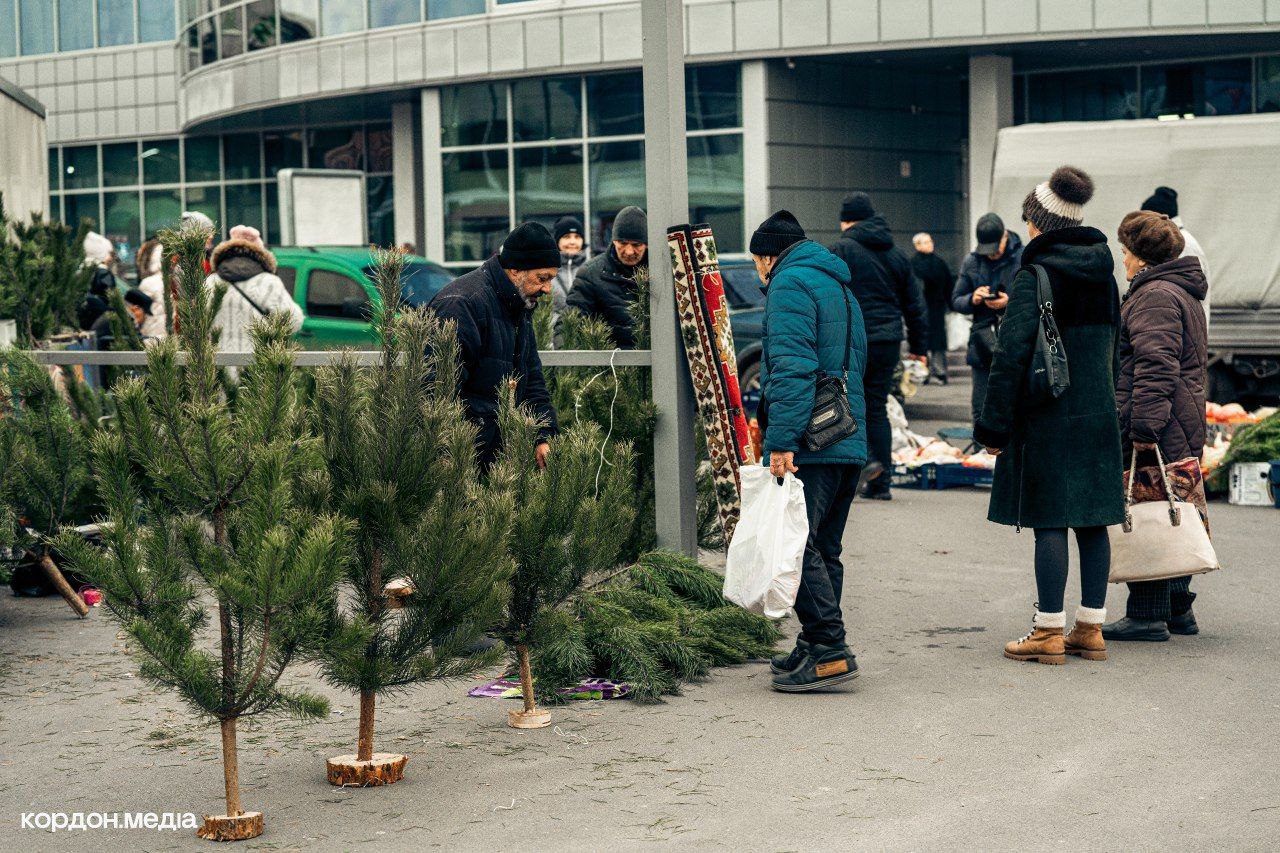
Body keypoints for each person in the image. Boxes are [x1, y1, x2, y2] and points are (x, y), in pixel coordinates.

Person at [973, 166, 1124, 666]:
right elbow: (1117, 349)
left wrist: (993, 427)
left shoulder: (1035, 276)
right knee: (1094, 520)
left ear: (1041, 223)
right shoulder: (1105, 275)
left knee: (1051, 520)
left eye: (1029, 221)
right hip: (1098, 411)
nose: (1027, 229)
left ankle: (1047, 632)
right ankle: (1091, 628)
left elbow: (1010, 358)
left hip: (1048, 415)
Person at [751, 210, 868, 693]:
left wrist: (781, 441)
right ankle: (816, 642)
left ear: (767, 256)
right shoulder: (839, 285)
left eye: (758, 261)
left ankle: (828, 648)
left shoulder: (788, 283)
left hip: (812, 442)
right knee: (826, 547)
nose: (760, 271)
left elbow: (793, 367)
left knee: (797, 544)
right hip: (847, 435)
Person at [1104, 211, 1209, 643]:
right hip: (1182, 418)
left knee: (1150, 507)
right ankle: (1179, 608)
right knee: (1175, 506)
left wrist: (1143, 427)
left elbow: (1154, 366)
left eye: (1125, 253)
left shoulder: (1154, 296)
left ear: (1141, 259)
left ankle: (1146, 613)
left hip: (1160, 421)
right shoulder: (1180, 290)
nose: (1122, 261)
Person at [429, 221, 559, 471]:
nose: (547, 289)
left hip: (500, 458)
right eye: (542, 278)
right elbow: (437, 393)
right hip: (462, 459)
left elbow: (532, 381)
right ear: (515, 271)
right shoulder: (461, 306)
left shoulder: (518, 304)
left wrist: (543, 435)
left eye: (552, 279)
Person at [827, 192, 928, 500]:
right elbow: (915, 304)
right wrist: (919, 346)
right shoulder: (897, 254)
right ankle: (881, 483)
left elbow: (827, 295)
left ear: (846, 221)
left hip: (854, 339)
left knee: (848, 404)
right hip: (888, 340)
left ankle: (858, 470)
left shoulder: (840, 250)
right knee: (877, 406)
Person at [951, 213, 1024, 424]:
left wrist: (1009, 302)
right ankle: (979, 453)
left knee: (1014, 405)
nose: (991, 255)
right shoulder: (972, 261)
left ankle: (1010, 455)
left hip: (1014, 340)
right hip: (982, 342)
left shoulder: (1023, 256)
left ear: (1005, 236)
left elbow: (1037, 298)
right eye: (987, 251)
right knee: (980, 407)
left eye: (995, 249)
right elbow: (956, 300)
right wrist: (972, 299)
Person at [206, 226, 303, 357]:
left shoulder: (211, 282)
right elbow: (293, 321)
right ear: (260, 253)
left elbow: (195, 323)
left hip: (216, 366)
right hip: (257, 367)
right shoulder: (269, 282)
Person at [567, 206, 647, 349]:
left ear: (646, 245)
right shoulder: (590, 273)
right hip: (608, 366)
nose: (629, 251)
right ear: (614, 240)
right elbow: (571, 321)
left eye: (636, 245)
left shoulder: (662, 272)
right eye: (622, 243)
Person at [1139, 187, 1211, 326]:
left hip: (1185, 332)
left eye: (1146, 220)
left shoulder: (1182, 244)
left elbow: (1187, 294)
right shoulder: (1179, 240)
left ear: (1159, 218)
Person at [910, 232, 953, 384]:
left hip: (937, 307)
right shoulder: (913, 263)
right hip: (921, 308)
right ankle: (923, 373)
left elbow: (948, 285)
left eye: (930, 241)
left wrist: (951, 303)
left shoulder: (939, 262)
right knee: (923, 339)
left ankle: (939, 372)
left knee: (938, 341)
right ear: (917, 245)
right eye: (926, 242)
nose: (930, 244)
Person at [78, 231, 119, 330]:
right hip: (102, 321)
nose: (111, 258)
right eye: (109, 253)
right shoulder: (104, 273)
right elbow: (111, 297)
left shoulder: (81, 271)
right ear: (101, 253)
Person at [551, 216, 589, 320]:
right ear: (557, 241)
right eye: (567, 237)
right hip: (554, 334)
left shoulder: (591, 269)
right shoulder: (547, 271)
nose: (572, 242)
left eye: (577, 237)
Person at [135, 237, 167, 340]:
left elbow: (138, 317)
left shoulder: (148, 283)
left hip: (152, 339)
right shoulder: (175, 280)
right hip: (172, 340)